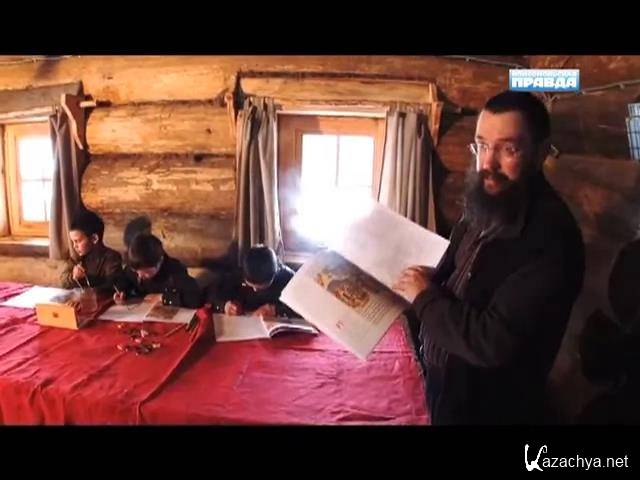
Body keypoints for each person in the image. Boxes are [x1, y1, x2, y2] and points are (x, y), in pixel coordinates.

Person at [393, 91, 585, 424]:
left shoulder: (552, 238)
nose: (487, 164)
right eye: (482, 146)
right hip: (444, 386)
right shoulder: (487, 202)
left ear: (541, 153)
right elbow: (458, 274)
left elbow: (490, 341)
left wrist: (424, 297)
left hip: (487, 411)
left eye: (508, 149)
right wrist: (427, 279)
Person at [114, 233, 202, 309]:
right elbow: (124, 280)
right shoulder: (136, 266)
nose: (140, 276)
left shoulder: (174, 270)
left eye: (146, 272)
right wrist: (122, 292)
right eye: (136, 272)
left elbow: (195, 298)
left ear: (160, 261)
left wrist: (163, 298)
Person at [210, 245, 298, 317]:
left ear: (275, 274)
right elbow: (212, 293)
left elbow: (302, 308)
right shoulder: (238, 273)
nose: (255, 290)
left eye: (260, 288)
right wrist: (225, 305)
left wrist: (277, 310)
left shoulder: (289, 279)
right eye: (251, 286)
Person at [60, 209, 122, 293]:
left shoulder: (112, 258)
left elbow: (111, 285)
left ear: (94, 238)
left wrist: (87, 278)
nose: (74, 246)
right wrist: (73, 277)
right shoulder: (77, 258)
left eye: (77, 241)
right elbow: (63, 281)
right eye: (73, 242)